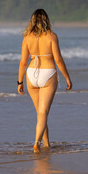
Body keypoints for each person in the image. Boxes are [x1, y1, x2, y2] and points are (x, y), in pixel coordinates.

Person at [17, 9, 72, 153]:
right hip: (47, 73)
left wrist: (19, 81)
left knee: (40, 113)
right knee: (43, 112)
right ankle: (36, 143)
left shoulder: (27, 38)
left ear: (32, 21)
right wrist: (67, 77)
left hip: (31, 75)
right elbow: (58, 60)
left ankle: (47, 145)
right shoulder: (52, 36)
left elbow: (23, 62)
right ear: (46, 20)